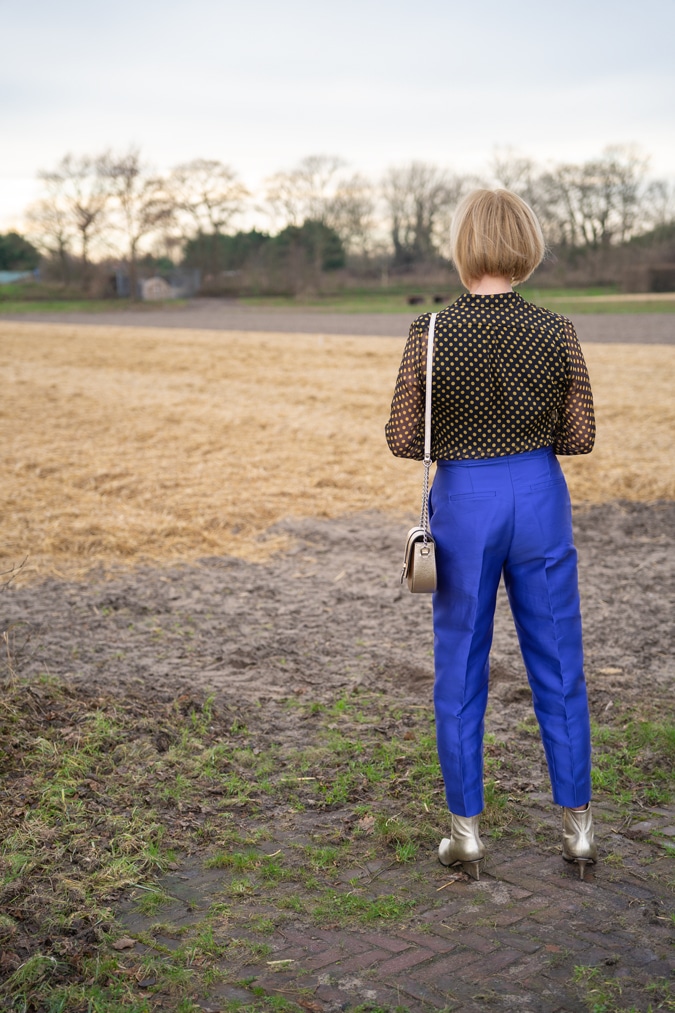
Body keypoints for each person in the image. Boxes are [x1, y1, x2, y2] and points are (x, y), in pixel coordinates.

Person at [385, 188, 598, 881]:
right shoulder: (557, 328)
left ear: (463, 245)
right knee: (558, 661)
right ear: (526, 246)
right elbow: (579, 435)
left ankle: (466, 833)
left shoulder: (431, 330)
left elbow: (399, 436)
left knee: (461, 663)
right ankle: (577, 829)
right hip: (537, 494)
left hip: (465, 501)